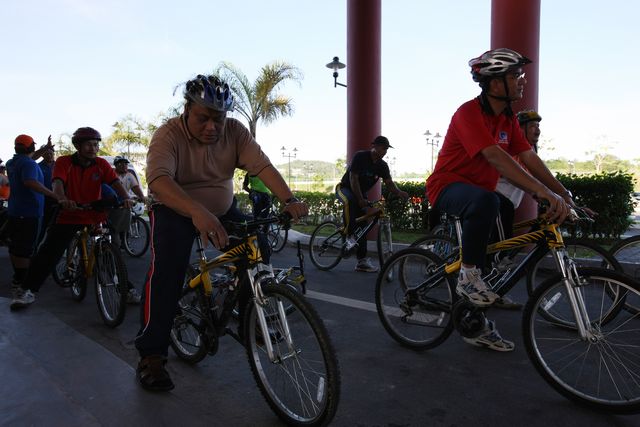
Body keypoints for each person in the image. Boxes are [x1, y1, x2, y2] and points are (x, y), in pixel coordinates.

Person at [135, 73, 308, 392]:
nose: (212, 127)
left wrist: (289, 199)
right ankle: (152, 354)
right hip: (174, 209)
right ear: (187, 110)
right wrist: (196, 211)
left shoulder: (235, 132)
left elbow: (262, 166)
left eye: (219, 118)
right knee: (166, 272)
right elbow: (158, 180)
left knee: (257, 248)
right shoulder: (168, 135)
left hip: (222, 209)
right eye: (203, 118)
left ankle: (251, 317)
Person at [425, 48, 575, 352]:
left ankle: (475, 321)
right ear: (495, 83)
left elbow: (528, 158)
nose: (522, 81)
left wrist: (562, 193)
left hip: (481, 196)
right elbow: (494, 156)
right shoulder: (468, 113)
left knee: (500, 215)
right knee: (489, 202)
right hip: (447, 187)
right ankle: (468, 276)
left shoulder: (507, 120)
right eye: (515, 75)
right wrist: (541, 192)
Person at [10, 127, 135, 309]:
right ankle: (27, 290)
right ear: (77, 146)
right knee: (49, 253)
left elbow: (114, 182)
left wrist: (125, 197)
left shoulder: (101, 164)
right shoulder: (64, 162)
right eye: (88, 145)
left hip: (95, 214)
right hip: (70, 213)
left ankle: (125, 290)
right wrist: (61, 198)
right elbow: (57, 182)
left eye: (95, 145)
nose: (93, 148)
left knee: (109, 252)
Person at [336, 135, 409, 273]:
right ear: (374, 146)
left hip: (360, 194)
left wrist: (399, 192)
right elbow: (353, 178)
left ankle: (361, 261)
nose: (385, 151)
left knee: (363, 227)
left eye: (387, 149)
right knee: (350, 201)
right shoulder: (360, 157)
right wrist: (360, 198)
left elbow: (389, 183)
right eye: (383, 148)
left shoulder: (382, 166)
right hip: (345, 188)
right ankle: (349, 235)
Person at [5, 134, 60, 306]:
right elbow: (30, 181)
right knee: (25, 249)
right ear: (31, 147)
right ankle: (22, 282)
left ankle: (18, 278)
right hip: (29, 213)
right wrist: (53, 194)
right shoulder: (29, 164)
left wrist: (45, 148)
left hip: (15, 211)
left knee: (16, 247)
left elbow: (31, 158)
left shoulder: (12, 162)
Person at [110, 156, 148, 252]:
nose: (124, 166)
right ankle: (113, 246)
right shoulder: (111, 174)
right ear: (116, 165)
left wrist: (142, 197)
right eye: (121, 164)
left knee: (126, 222)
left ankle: (125, 243)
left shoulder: (129, 175)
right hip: (112, 201)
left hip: (125, 201)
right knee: (113, 225)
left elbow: (135, 187)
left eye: (125, 164)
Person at [36, 140, 57, 244]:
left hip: (58, 200)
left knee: (56, 228)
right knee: (42, 227)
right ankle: (35, 249)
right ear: (42, 155)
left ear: (53, 153)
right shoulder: (37, 166)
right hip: (43, 201)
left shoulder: (59, 166)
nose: (49, 155)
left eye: (50, 153)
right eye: (46, 153)